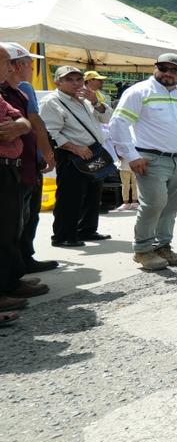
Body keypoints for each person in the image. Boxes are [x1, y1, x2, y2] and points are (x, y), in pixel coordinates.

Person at [108, 53, 177, 270]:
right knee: (154, 204)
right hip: (150, 158)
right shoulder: (140, 91)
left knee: (172, 205)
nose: (168, 73)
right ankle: (142, 250)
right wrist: (132, 156)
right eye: (163, 68)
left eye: (174, 70)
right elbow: (118, 123)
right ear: (155, 68)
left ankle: (162, 247)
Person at [40, 65, 114, 248]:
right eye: (69, 79)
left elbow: (107, 118)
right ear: (58, 82)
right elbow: (50, 133)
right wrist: (75, 148)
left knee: (93, 194)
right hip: (71, 154)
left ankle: (86, 229)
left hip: (93, 152)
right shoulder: (52, 101)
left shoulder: (86, 99)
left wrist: (96, 102)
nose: (75, 83)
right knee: (70, 196)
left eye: (79, 79)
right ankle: (63, 235)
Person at [2, 44, 57, 275]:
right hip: (14, 165)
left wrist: (41, 154)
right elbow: (32, 122)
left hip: (26, 162)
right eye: (28, 64)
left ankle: (23, 260)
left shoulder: (21, 90)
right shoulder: (11, 91)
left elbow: (27, 123)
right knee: (13, 221)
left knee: (26, 215)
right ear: (16, 65)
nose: (32, 68)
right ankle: (14, 272)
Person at [0, 44, 44, 310]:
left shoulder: (8, 94)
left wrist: (18, 126)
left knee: (10, 229)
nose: (10, 68)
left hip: (12, 168)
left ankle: (9, 282)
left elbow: (24, 121)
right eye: (6, 63)